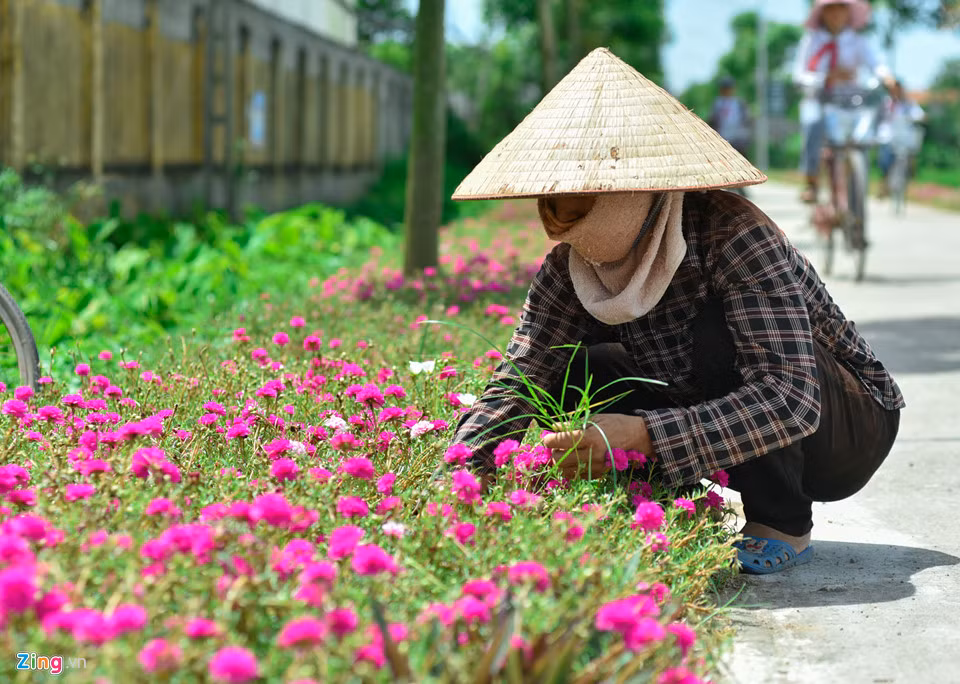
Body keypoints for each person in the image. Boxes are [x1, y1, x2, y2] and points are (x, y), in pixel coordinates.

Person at [448, 48, 904, 575]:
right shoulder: (566, 273)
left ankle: (779, 520)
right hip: (710, 405)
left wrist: (643, 435)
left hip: (841, 428)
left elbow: (789, 396)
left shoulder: (733, 234)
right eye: (556, 198)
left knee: (718, 337)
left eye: (582, 195)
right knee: (569, 368)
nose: (562, 215)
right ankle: (658, 499)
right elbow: (519, 378)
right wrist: (460, 474)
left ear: (635, 190)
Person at [793, 0, 895, 203]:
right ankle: (811, 182)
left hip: (852, 101)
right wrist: (825, 78)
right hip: (819, 98)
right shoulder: (811, 41)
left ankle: (860, 196)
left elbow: (876, 63)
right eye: (831, 9)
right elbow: (798, 75)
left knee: (870, 128)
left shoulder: (857, 41)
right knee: (813, 125)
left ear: (848, 14)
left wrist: (886, 77)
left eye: (841, 9)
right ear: (822, 14)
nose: (836, 14)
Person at [875, 79, 926, 197]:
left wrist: (921, 118)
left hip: (903, 136)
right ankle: (885, 182)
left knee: (910, 153)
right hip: (886, 137)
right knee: (884, 160)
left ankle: (909, 175)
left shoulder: (908, 103)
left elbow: (919, 114)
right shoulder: (885, 103)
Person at [709, 76, 753, 198]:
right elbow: (713, 120)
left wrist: (746, 135)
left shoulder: (738, 103)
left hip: (738, 137)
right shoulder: (717, 104)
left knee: (740, 163)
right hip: (723, 136)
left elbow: (746, 119)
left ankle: (741, 185)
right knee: (726, 163)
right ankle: (729, 185)